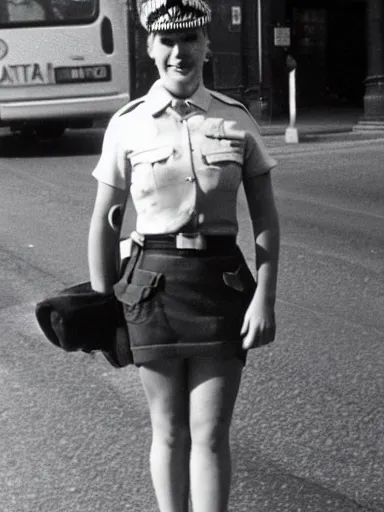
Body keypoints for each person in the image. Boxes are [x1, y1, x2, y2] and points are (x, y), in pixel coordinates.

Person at [88, 1, 280, 510]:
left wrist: (265, 298)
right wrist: (104, 302)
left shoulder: (236, 119)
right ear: (150, 47)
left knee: (212, 431)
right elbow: (105, 220)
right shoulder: (127, 125)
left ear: (207, 45)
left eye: (191, 38)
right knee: (169, 430)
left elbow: (265, 218)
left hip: (221, 286)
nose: (180, 52)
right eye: (168, 41)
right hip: (152, 288)